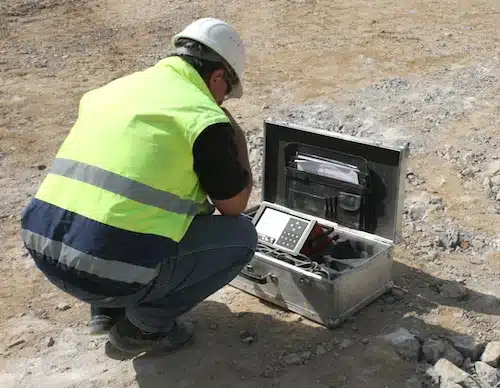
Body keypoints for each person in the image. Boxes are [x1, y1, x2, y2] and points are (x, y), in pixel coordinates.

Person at [20, 17, 258, 356]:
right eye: (226, 92)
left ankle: (106, 311)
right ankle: (143, 329)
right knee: (241, 238)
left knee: (145, 209)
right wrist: (239, 141)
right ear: (218, 76)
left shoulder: (114, 90)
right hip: (104, 272)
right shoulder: (203, 117)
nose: (223, 101)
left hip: (45, 249)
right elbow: (233, 207)